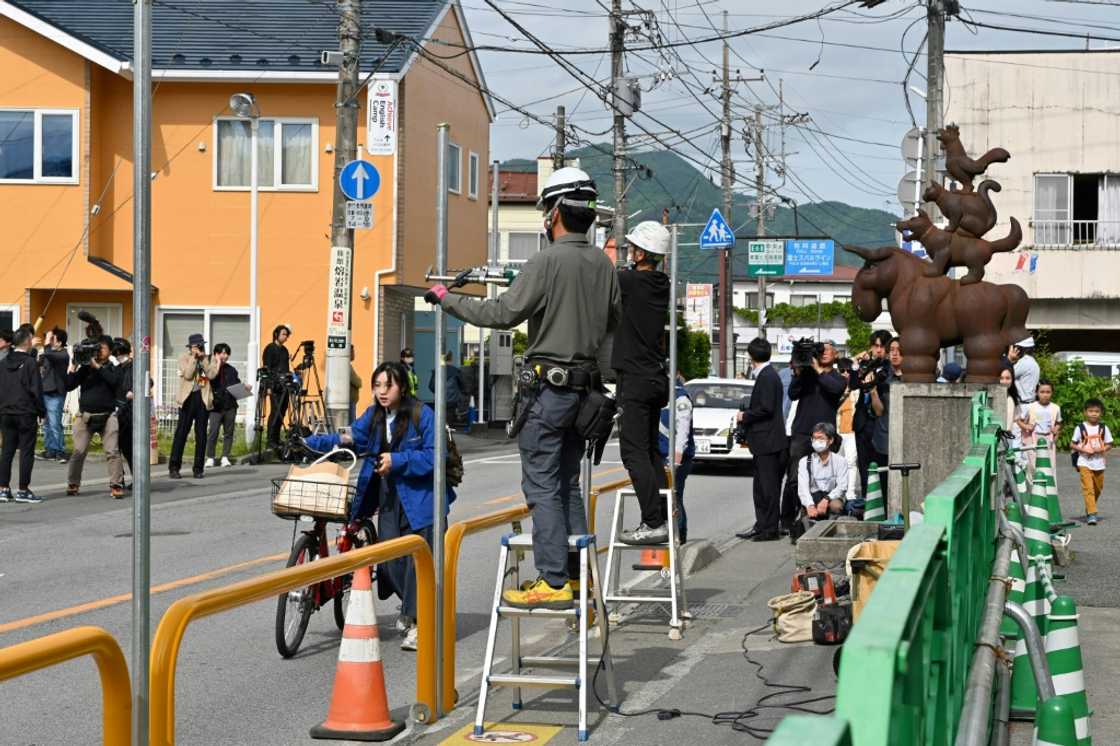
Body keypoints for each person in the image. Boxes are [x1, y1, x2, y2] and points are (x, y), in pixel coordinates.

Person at [426, 166, 620, 609]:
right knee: (568, 484)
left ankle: (551, 579)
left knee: (541, 485)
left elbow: (501, 313)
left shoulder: (547, 261)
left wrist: (446, 297)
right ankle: (573, 577)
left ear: (553, 213)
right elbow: (612, 328)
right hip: (586, 395)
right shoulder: (603, 265)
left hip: (549, 393)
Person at [306, 362, 455, 651]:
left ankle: (418, 623)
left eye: (390, 385)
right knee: (388, 561)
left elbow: (437, 455)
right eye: (378, 385)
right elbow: (347, 438)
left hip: (423, 499)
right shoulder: (374, 416)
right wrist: (310, 441)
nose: (383, 391)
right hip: (389, 497)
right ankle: (411, 611)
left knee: (419, 564)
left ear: (403, 387)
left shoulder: (422, 414)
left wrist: (397, 461)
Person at [612, 220, 672, 545]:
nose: (629, 252)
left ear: (640, 252)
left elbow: (602, 281)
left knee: (633, 453)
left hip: (634, 379)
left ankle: (653, 522)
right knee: (650, 453)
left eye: (633, 247)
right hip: (653, 377)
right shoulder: (660, 282)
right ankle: (662, 516)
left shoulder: (630, 282)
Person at [781, 341, 846, 536]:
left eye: (828, 350)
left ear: (836, 355)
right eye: (821, 350)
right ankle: (786, 520)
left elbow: (834, 390)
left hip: (826, 436)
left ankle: (818, 516)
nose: (824, 353)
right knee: (794, 478)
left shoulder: (838, 377)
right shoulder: (808, 374)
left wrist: (818, 370)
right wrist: (801, 372)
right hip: (802, 432)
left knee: (825, 479)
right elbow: (792, 394)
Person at [736, 337, 789, 541]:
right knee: (761, 487)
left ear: (751, 357)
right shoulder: (769, 374)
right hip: (765, 441)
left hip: (768, 441)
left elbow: (766, 408)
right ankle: (762, 525)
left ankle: (769, 529)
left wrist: (745, 416)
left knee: (768, 488)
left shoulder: (767, 376)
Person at [65, 336, 125, 497]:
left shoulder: (114, 368)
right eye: (96, 349)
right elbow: (69, 385)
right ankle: (73, 483)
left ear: (110, 351)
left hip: (108, 416)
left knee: (112, 451)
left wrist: (97, 366)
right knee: (78, 451)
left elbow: (114, 382)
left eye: (102, 349)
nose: (98, 352)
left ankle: (116, 484)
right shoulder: (85, 368)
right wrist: (73, 365)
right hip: (85, 416)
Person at [0, 327, 45, 503]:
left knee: (7, 451)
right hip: (25, 412)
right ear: (27, 341)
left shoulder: (3, 363)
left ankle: (3, 488)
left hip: (5, 411)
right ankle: (23, 490)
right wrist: (42, 411)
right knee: (26, 451)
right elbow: (36, 390)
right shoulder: (30, 362)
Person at [169, 334, 219, 479]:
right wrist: (194, 358)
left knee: (201, 434)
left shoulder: (209, 358)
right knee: (181, 433)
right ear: (190, 347)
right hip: (187, 398)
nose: (198, 348)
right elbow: (188, 375)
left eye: (200, 345)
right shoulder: (184, 357)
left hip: (203, 399)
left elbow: (212, 375)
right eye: (195, 346)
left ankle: (198, 469)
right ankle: (174, 467)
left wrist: (203, 359)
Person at [853, 329, 892, 498]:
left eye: (883, 346)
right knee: (863, 468)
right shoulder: (866, 365)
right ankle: (864, 505)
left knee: (880, 470)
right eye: (875, 346)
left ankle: (880, 507)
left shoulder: (889, 369)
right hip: (863, 423)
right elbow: (854, 384)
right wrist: (857, 364)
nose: (878, 350)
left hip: (880, 425)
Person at [658, 370, 694, 544]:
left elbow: (683, 431)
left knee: (674, 496)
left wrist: (676, 459)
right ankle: (671, 532)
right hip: (661, 453)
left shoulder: (681, 398)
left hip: (676, 457)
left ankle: (679, 534)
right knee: (665, 496)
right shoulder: (660, 394)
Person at [869, 337, 904, 504]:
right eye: (892, 350)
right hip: (883, 438)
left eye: (899, 350)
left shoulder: (913, 377)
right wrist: (873, 391)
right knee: (883, 484)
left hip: (905, 437)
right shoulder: (883, 377)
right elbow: (878, 410)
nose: (895, 354)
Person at [796, 422, 851, 520]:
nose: (817, 442)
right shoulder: (804, 461)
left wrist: (827, 499)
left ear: (830, 440)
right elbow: (802, 488)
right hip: (813, 497)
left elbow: (842, 486)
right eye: (814, 438)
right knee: (806, 516)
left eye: (821, 438)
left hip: (831, 497)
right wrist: (810, 505)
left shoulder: (840, 461)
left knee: (836, 506)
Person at [205, 343, 248, 468]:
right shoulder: (210, 369)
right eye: (221, 353)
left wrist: (244, 387)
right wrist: (217, 364)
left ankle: (225, 457)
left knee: (228, 432)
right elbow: (207, 380)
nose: (224, 356)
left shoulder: (232, 370)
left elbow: (237, 384)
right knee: (213, 432)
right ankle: (210, 457)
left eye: (226, 353)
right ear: (215, 354)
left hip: (230, 405)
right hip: (215, 407)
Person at [1071, 398, 1112, 526]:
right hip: (1084, 462)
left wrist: (1102, 449)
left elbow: (1109, 444)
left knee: (1098, 488)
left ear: (1101, 413)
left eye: (1097, 411)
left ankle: (1090, 507)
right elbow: (1072, 444)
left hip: (1099, 462)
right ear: (1085, 412)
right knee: (1088, 488)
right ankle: (1092, 514)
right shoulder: (1080, 428)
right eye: (1090, 411)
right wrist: (1083, 449)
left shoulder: (1103, 428)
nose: (1094, 414)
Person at [37, 327, 70, 462]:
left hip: (56, 393)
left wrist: (45, 342)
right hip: (45, 391)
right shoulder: (50, 353)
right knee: (47, 423)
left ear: (60, 342)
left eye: (53, 339)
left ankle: (60, 451)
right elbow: (41, 361)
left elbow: (48, 354)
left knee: (55, 423)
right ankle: (50, 450)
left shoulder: (63, 354)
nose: (50, 342)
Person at [110, 337, 135, 488]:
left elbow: (148, 381)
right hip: (118, 412)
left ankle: (137, 478)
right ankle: (120, 479)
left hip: (131, 413)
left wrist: (134, 390)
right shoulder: (117, 368)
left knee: (129, 448)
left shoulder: (135, 366)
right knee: (116, 448)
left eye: (116, 352)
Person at [263, 324, 291, 449]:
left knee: (282, 411)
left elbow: (286, 367)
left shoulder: (285, 350)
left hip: (284, 385)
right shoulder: (270, 348)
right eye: (284, 334)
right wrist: (268, 386)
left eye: (287, 335)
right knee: (275, 412)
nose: (286, 337)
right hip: (274, 386)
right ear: (276, 335)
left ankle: (276, 438)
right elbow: (267, 368)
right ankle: (270, 439)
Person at [1028, 380, 1062, 480]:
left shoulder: (1056, 408)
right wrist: (1027, 427)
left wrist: (1056, 430)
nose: (1045, 395)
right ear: (1036, 393)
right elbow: (1020, 421)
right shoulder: (1031, 407)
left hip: (1049, 439)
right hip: (1034, 439)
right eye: (1042, 392)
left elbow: (1059, 422)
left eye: (1048, 392)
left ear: (1052, 393)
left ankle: (1050, 491)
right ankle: (1034, 491)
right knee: (1033, 465)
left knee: (1050, 466)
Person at [1008, 336, 1040, 406]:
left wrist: (1009, 359)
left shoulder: (1024, 362)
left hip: (1023, 406)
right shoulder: (1032, 361)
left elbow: (1005, 375)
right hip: (1029, 403)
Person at [349, 344, 362, 423]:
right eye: (353, 352)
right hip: (349, 401)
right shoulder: (347, 366)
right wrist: (359, 380)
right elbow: (358, 382)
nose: (354, 354)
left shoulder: (349, 365)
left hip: (351, 401)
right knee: (351, 424)